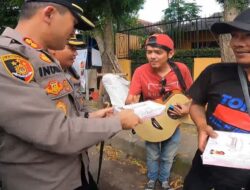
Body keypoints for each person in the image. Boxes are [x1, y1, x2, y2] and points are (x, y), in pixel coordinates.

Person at [0, 1, 141, 190]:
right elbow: (55, 131)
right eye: (73, 24)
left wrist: (90, 117)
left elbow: (56, 114)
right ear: (49, 14)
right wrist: (118, 122)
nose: (74, 34)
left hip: (75, 173)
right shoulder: (7, 60)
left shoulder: (41, 57)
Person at [183, 8, 250, 190]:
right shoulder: (214, 72)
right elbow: (195, 103)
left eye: (247, 36)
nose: (237, 43)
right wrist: (201, 125)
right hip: (206, 172)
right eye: (235, 36)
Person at [125, 33, 193, 190]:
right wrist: (130, 102)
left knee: (168, 156)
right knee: (152, 155)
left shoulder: (181, 69)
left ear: (170, 53)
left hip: (173, 124)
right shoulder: (140, 71)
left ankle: (163, 180)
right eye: (149, 52)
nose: (152, 56)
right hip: (150, 123)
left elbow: (193, 96)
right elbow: (131, 97)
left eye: (158, 52)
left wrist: (187, 108)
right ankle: (151, 180)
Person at [49, 35, 86, 112]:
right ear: (52, 49)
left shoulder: (70, 71)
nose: (76, 53)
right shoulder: (43, 74)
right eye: (72, 48)